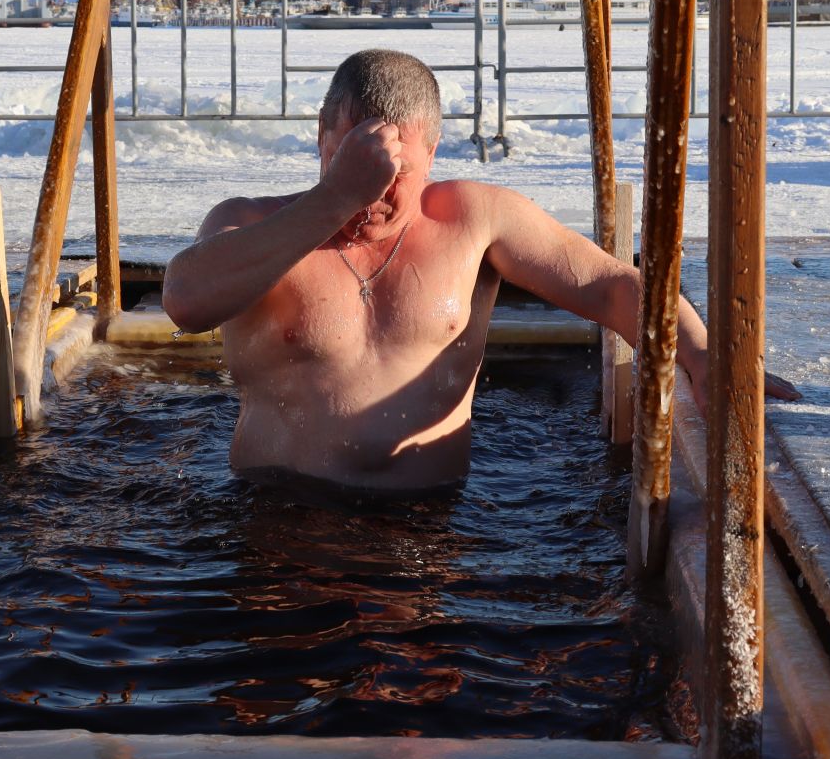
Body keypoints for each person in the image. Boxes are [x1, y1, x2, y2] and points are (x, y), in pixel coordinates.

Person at [161, 49, 797, 493]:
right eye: (354, 172)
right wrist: (332, 201)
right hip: (279, 518)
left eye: (392, 182)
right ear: (323, 136)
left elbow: (609, 286)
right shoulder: (250, 225)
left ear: (432, 150)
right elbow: (184, 301)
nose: (371, 203)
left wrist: (704, 352)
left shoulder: (473, 218)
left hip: (429, 527)